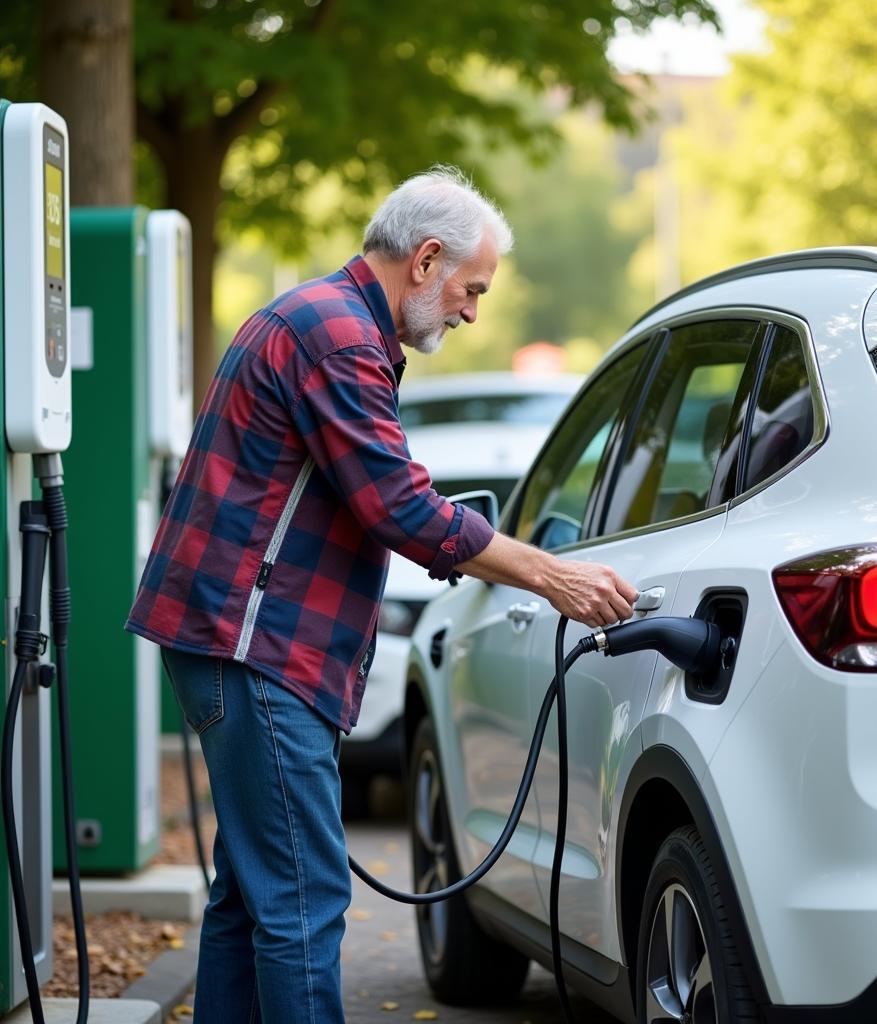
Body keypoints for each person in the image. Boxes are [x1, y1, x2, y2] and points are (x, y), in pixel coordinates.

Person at [126, 165, 637, 1022]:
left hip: (233, 643)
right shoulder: (340, 337)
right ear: (427, 259)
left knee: (249, 899)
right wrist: (552, 574)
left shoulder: (320, 317)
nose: (474, 310)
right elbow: (399, 504)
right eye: (472, 288)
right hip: (258, 649)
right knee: (302, 902)